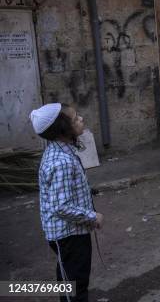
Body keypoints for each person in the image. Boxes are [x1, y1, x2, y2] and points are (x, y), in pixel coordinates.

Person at [30, 103, 103, 302]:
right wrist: (92, 215)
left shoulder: (62, 150)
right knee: (76, 285)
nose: (81, 119)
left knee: (69, 273)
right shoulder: (60, 162)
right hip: (68, 235)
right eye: (76, 118)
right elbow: (61, 207)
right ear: (63, 129)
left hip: (71, 233)